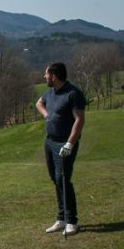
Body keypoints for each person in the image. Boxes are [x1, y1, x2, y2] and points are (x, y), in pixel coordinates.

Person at [35, 62, 86, 236]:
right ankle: (61, 218)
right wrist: (47, 115)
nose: (44, 77)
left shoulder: (73, 93)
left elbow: (79, 120)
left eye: (46, 74)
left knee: (63, 180)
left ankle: (71, 221)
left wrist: (70, 144)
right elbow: (38, 103)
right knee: (56, 180)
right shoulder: (50, 92)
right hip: (49, 142)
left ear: (54, 76)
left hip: (64, 144)